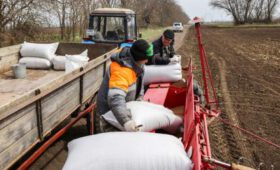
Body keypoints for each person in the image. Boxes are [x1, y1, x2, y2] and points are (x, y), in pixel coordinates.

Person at [95, 39, 153, 133]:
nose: (147, 61)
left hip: (123, 109)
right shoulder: (121, 71)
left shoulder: (138, 64)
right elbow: (115, 98)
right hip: (110, 114)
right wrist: (126, 121)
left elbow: (140, 85)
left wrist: (139, 101)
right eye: (145, 58)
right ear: (139, 57)